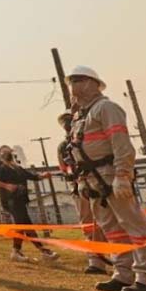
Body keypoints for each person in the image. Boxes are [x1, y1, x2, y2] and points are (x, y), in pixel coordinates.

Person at [66, 66, 146, 291]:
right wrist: (81, 179)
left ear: (92, 83)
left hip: (110, 174)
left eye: (78, 80)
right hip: (93, 180)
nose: (74, 86)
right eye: (72, 81)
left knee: (134, 226)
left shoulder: (106, 108)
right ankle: (123, 273)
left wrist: (122, 175)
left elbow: (121, 144)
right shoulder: (81, 115)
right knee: (112, 230)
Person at [57, 109, 111, 275]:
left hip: (99, 184)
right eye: (64, 121)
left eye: (69, 120)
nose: (67, 124)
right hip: (80, 187)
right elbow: (63, 167)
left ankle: (119, 260)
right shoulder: (63, 146)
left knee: (106, 223)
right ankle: (95, 262)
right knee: (88, 226)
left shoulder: (88, 139)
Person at [0, 145, 60, 263]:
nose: (8, 152)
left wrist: (43, 176)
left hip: (20, 199)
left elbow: (31, 176)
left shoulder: (17, 167)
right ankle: (38, 250)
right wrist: (7, 186)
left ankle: (22, 251)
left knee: (24, 225)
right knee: (23, 224)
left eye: (9, 150)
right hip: (10, 199)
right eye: (4, 150)